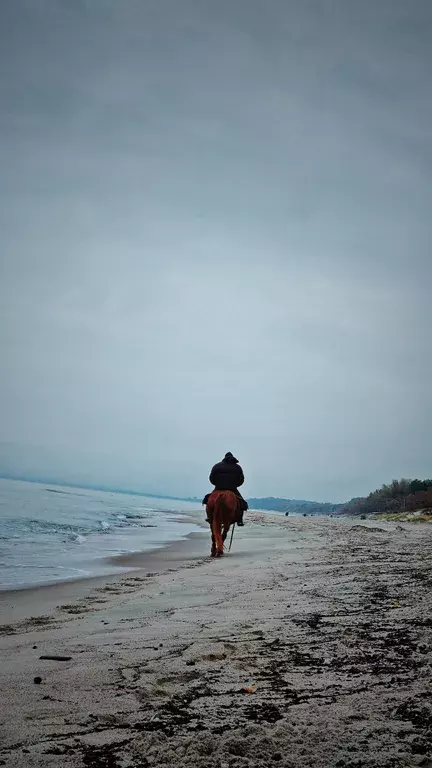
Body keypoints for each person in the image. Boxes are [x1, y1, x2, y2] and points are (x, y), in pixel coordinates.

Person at [203, 452, 248, 525]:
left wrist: (217, 484)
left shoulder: (216, 466)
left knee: (207, 500)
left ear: (224, 458)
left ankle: (209, 517)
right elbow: (241, 480)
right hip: (232, 489)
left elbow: (211, 478)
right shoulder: (237, 467)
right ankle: (239, 520)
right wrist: (235, 485)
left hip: (218, 487)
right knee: (241, 503)